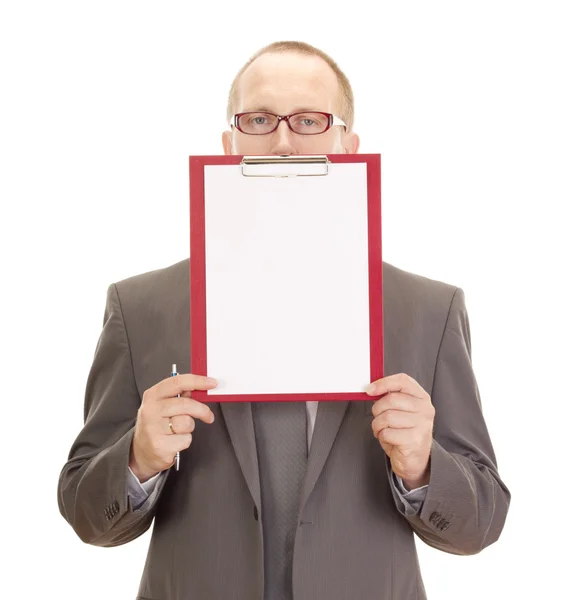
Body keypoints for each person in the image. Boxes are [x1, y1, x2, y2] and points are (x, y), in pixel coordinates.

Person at [57, 40, 511, 600]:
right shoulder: (141, 306)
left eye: (309, 120)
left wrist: (421, 465)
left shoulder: (429, 311)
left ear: (348, 146)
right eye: (259, 119)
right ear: (229, 144)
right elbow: (84, 509)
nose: (282, 140)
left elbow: (481, 524)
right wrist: (137, 458)